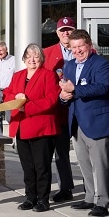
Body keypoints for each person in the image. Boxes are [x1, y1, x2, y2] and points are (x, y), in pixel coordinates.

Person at [58, 29, 109, 217]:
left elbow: (102, 87)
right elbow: (66, 92)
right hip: (77, 123)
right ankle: (90, 197)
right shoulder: (68, 66)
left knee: (100, 165)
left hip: (99, 122)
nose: (77, 50)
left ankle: (102, 202)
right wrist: (63, 96)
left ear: (89, 46)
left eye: (80, 46)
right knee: (84, 163)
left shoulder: (101, 63)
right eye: (73, 47)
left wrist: (74, 89)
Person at [4, 44, 60, 213]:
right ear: (24, 58)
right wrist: (16, 97)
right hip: (21, 127)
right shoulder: (18, 76)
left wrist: (25, 106)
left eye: (36, 56)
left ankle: (43, 199)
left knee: (41, 166)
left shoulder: (48, 75)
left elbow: (51, 100)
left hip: (41, 127)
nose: (32, 59)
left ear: (41, 59)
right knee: (28, 167)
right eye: (29, 56)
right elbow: (7, 93)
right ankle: (30, 197)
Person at [43, 16, 76, 203]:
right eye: (62, 30)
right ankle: (65, 187)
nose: (66, 33)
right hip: (57, 110)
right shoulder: (47, 53)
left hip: (80, 108)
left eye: (69, 29)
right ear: (57, 33)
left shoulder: (85, 50)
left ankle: (92, 188)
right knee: (60, 152)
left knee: (86, 153)